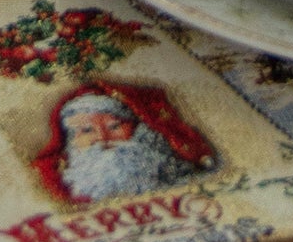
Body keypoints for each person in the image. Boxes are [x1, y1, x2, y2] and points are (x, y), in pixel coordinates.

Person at [33, 84, 216, 204]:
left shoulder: (184, 176)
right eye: (87, 130)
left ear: (141, 129)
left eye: (115, 126)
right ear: (72, 141)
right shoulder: (54, 187)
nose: (103, 138)